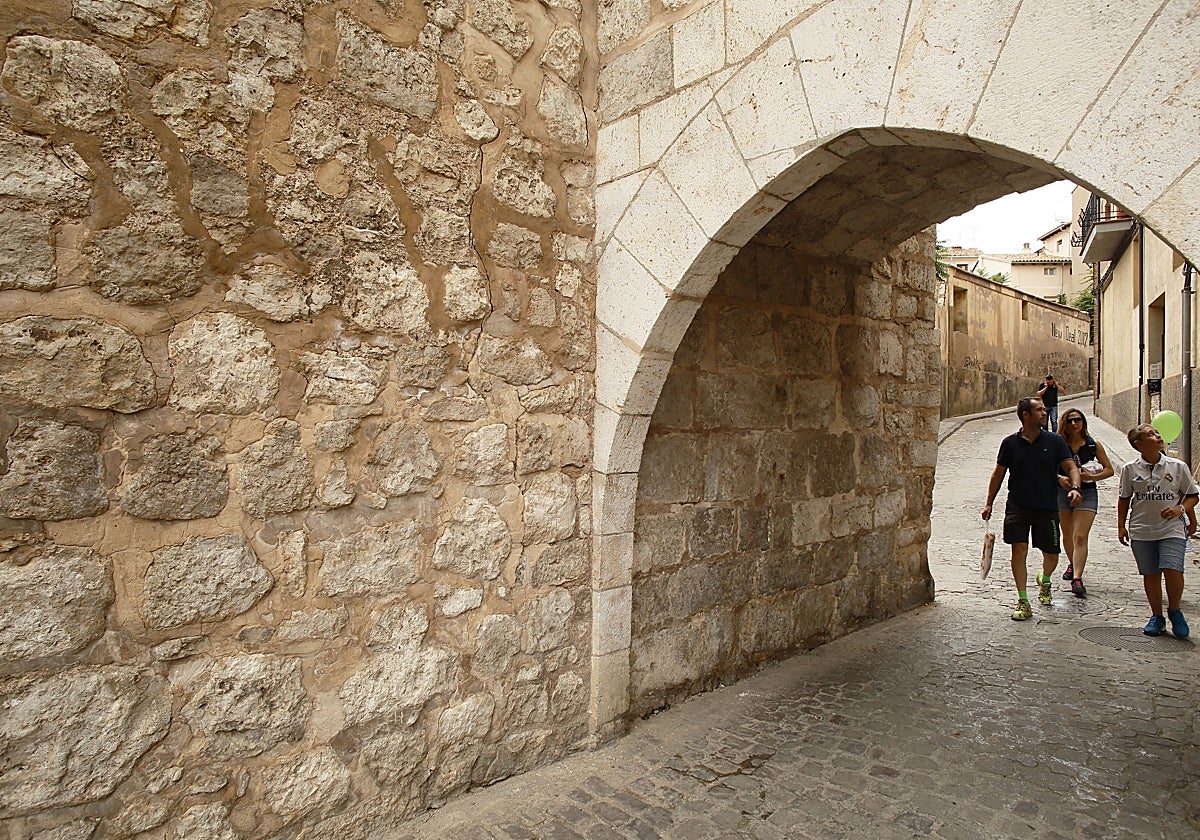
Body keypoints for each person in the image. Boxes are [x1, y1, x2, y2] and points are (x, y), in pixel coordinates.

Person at [982, 397, 1082, 620]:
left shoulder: (1055, 441)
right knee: (1018, 550)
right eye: (1039, 410)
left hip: (1047, 507)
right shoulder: (1009, 443)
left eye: (1045, 409)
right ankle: (1023, 599)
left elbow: (1071, 467)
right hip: (1017, 506)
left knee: (1052, 555)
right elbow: (998, 474)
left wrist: (1075, 487)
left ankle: (1045, 580)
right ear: (1025, 415)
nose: (1044, 413)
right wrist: (989, 502)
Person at [1117, 423, 1197, 638]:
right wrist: (1121, 526)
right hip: (1142, 529)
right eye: (1151, 435)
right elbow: (1124, 499)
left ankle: (1175, 610)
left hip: (1171, 529)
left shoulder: (1177, 466)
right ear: (1139, 444)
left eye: (1158, 433)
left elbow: (1191, 495)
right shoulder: (1129, 469)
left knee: (1173, 568)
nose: (1158, 436)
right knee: (1151, 573)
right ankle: (1157, 616)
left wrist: (1183, 511)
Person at [1055, 408, 1115, 597]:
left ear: (1083, 422)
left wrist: (1090, 477)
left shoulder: (1092, 445)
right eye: (1070, 420)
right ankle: (1072, 563)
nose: (1074, 424)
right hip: (1061, 493)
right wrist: (1058, 478)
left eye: (1078, 420)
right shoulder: (1058, 444)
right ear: (1064, 423)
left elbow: (1109, 470)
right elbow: (1045, 467)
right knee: (1067, 533)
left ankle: (1077, 578)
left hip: (1087, 493)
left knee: (1080, 536)